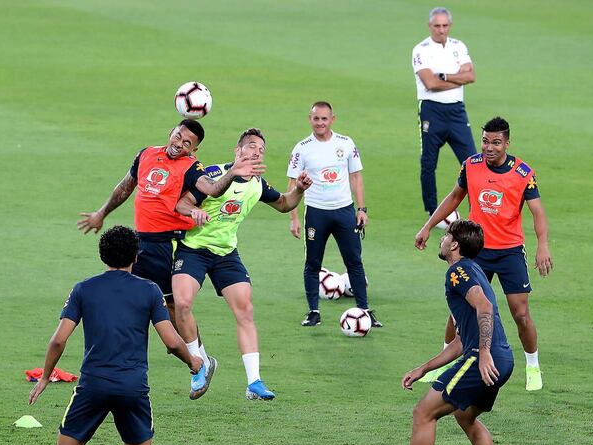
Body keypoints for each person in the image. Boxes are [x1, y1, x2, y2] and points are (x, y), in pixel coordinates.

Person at [28, 225, 202, 445]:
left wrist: (45, 376)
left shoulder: (84, 289)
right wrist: (194, 361)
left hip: (92, 386)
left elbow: (58, 340)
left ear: (102, 256)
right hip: (133, 388)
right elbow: (172, 342)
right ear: (136, 255)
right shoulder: (149, 290)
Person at [76, 119, 264, 399]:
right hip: (140, 242)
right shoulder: (147, 154)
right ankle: (140, 360)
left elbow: (211, 189)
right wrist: (102, 213)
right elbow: (126, 186)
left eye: (187, 143)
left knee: (173, 308)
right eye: (178, 136)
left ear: (194, 150)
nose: (179, 143)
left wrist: (232, 172)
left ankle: (198, 361)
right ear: (170, 132)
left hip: (166, 243)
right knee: (127, 299)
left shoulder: (192, 168)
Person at [371, 219, 514, 445]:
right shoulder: (473, 271)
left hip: (483, 358)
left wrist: (483, 352)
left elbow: (484, 308)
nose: (442, 239)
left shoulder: (458, 271)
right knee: (465, 416)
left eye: (446, 234)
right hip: (502, 357)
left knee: (423, 412)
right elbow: (460, 341)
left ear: (455, 245)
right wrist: (424, 368)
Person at [172, 128, 313, 400]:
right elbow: (182, 204)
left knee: (245, 310)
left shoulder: (258, 184)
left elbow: (284, 204)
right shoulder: (212, 174)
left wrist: (299, 189)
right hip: (193, 249)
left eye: (260, 149)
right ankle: (198, 366)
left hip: (226, 253)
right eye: (250, 146)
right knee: (183, 304)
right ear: (237, 151)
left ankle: (254, 382)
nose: (256, 151)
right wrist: (195, 211)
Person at [415, 116, 553, 391]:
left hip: (510, 251)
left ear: (507, 143)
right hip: (475, 250)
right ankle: (443, 363)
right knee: (458, 311)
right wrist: (428, 226)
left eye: (496, 143)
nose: (489, 148)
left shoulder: (523, 173)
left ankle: (533, 365)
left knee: (520, 313)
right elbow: (454, 197)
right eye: (486, 142)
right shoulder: (471, 166)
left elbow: (537, 211)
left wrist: (543, 245)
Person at [286, 101, 382, 328]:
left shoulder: (346, 143)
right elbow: (292, 183)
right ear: (310, 119)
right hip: (316, 212)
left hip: (344, 211)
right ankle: (313, 311)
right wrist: (294, 218)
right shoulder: (302, 148)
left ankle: (365, 310)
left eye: (324, 118)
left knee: (354, 262)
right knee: (312, 263)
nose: (320, 123)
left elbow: (356, 177)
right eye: (316, 118)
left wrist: (361, 209)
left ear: (332, 119)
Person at [412, 6, 476, 215]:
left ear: (450, 25)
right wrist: (458, 79)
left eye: (445, 25)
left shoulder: (459, 46)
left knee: (473, 162)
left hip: (457, 111)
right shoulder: (421, 49)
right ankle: (433, 211)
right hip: (432, 111)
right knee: (429, 164)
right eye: (437, 26)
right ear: (430, 26)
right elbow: (430, 83)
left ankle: (479, 207)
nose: (441, 30)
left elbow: (470, 76)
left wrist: (445, 77)